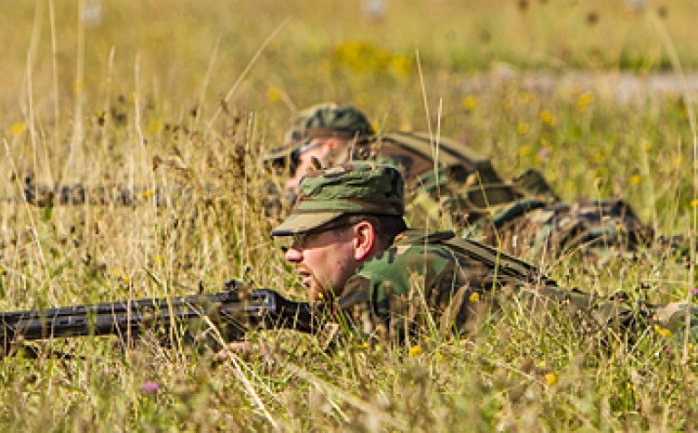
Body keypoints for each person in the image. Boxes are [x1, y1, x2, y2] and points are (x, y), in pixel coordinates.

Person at [272, 160, 694, 343]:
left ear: (362, 238)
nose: (293, 255)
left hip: (654, 334)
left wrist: (270, 350)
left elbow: (342, 367)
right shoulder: (415, 251)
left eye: (306, 239)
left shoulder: (389, 274)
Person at [264, 103, 656, 262]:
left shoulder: (363, 166)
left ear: (327, 145)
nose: (291, 173)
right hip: (560, 214)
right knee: (660, 250)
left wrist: (299, 190)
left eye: (293, 160)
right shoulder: (408, 142)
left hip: (529, 236)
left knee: (630, 264)